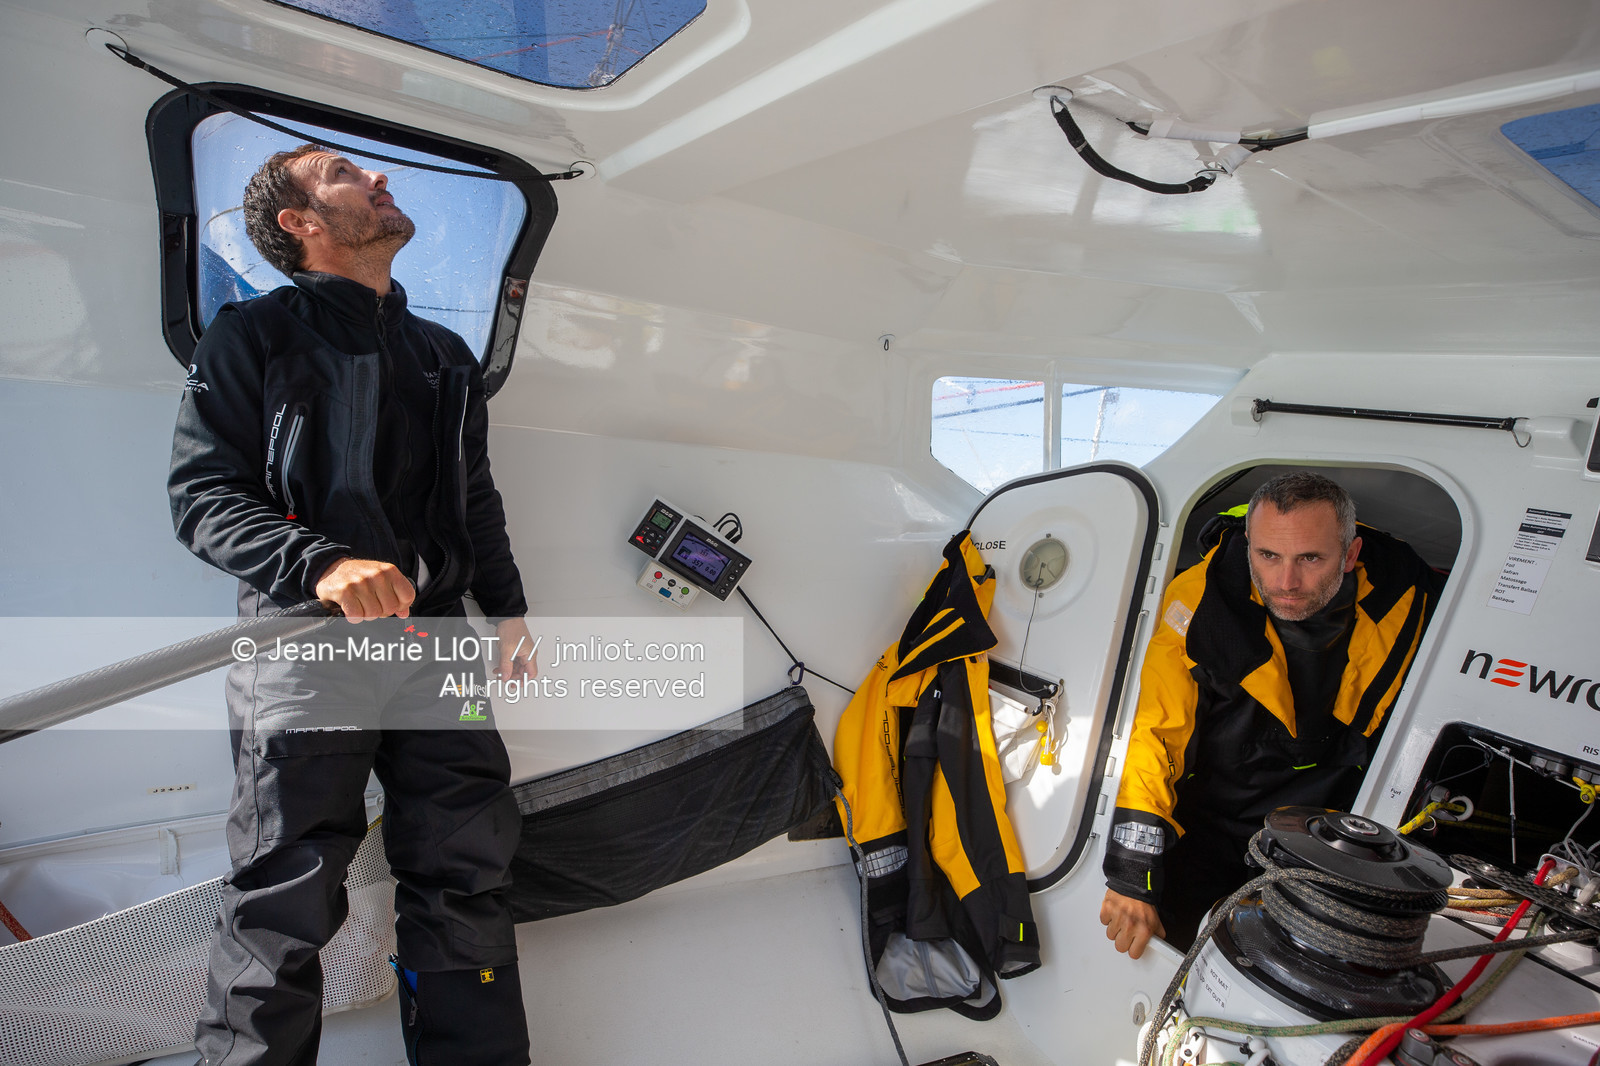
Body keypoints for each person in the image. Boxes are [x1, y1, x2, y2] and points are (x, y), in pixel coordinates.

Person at [169, 144, 537, 1065]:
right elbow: (202, 497)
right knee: (287, 891)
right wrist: (322, 563)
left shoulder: (444, 355)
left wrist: (511, 611)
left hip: (438, 645)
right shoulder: (250, 336)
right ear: (299, 222)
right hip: (306, 642)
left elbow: (474, 498)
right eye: (343, 174)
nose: (380, 181)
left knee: (467, 871)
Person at [1099, 472, 1441, 959]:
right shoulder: (1201, 601)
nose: (1286, 583)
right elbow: (1155, 734)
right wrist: (1133, 872)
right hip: (1214, 818)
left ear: (1350, 554)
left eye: (1310, 559)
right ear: (1248, 546)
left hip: (1332, 826)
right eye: (1268, 556)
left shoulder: (1407, 593)